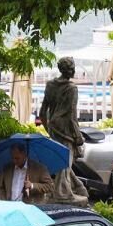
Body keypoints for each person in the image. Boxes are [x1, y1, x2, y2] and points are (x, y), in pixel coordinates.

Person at [37, 56, 90, 206]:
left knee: (63, 160)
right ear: (70, 70)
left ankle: (77, 186)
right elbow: (72, 115)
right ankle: (63, 194)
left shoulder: (50, 85)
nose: (73, 71)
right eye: (72, 68)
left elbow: (42, 112)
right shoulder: (72, 88)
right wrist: (78, 137)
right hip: (65, 128)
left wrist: (49, 128)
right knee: (65, 161)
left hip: (53, 126)